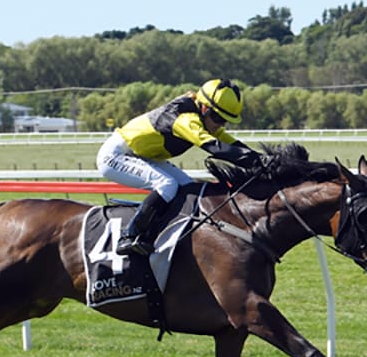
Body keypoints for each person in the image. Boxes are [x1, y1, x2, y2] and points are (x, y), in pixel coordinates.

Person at [96, 78, 262, 256]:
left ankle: (171, 233)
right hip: (116, 155)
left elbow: (230, 142)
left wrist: (263, 159)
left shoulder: (202, 115)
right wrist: (255, 162)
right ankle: (130, 236)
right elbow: (214, 147)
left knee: (188, 187)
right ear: (204, 108)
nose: (220, 124)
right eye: (218, 118)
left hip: (142, 155)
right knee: (166, 185)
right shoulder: (184, 119)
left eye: (225, 121)